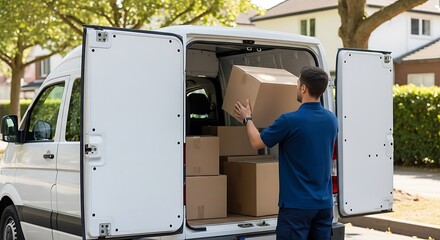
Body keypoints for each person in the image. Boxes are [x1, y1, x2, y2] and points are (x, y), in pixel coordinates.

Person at [234, 66, 338, 240]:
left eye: (298, 84)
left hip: (296, 208)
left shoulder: (289, 121)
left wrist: (247, 118)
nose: (297, 87)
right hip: (324, 206)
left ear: (303, 88)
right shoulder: (331, 120)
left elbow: (256, 142)